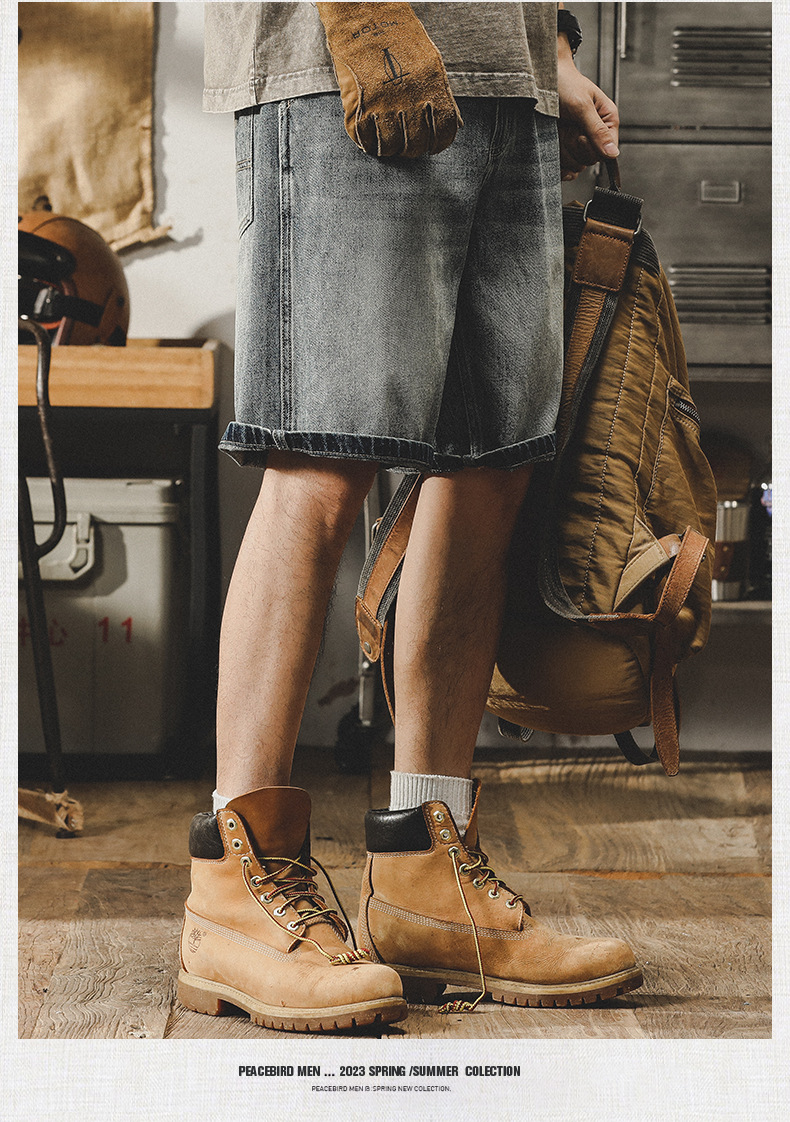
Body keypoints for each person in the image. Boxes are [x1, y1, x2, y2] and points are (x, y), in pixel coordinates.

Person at [178, 2, 642, 1033]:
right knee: (321, 456)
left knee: (488, 466)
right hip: (349, 62)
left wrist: (553, 47)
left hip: (505, 76)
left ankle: (423, 879)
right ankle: (233, 891)